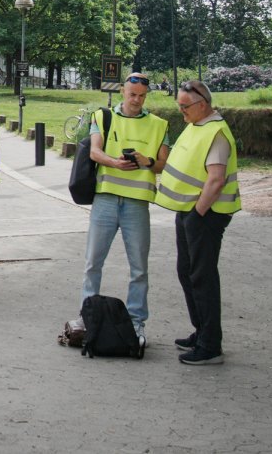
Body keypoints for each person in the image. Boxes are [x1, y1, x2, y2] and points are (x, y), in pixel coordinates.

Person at [155, 80, 241, 366]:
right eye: (178, 105)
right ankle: (201, 331)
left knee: (202, 276)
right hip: (192, 212)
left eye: (185, 105)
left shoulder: (215, 132)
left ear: (202, 104)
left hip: (206, 215)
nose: (181, 110)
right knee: (187, 272)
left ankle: (210, 345)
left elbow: (215, 179)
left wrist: (197, 214)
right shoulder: (198, 125)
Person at [80, 73, 170, 344]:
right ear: (122, 91)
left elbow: (163, 164)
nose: (136, 100)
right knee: (93, 263)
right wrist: (114, 162)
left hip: (137, 203)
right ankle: (88, 317)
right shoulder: (103, 116)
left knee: (139, 267)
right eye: (132, 94)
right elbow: (94, 152)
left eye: (142, 96)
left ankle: (135, 323)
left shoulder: (159, 124)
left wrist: (147, 160)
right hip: (106, 199)